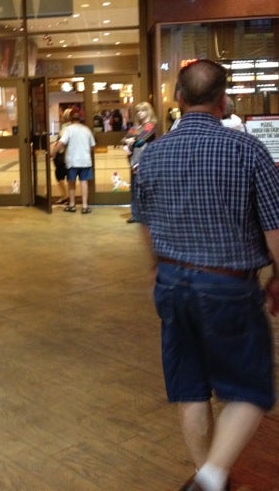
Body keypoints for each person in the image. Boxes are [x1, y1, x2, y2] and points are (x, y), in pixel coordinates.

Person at [134, 59, 279, 491]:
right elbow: (275, 228)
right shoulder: (249, 151)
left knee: (190, 386)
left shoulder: (152, 154)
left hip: (172, 281)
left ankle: (207, 477)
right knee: (249, 389)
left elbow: (144, 223)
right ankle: (213, 477)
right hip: (228, 285)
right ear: (222, 101)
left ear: (178, 98)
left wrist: (156, 269)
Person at [52, 107, 96, 214]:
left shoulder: (69, 130)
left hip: (72, 161)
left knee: (71, 183)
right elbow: (93, 146)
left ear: (71, 118)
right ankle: (85, 206)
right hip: (85, 161)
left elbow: (61, 143)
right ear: (80, 118)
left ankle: (72, 205)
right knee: (84, 182)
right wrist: (86, 152)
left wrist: (53, 152)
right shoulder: (86, 130)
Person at [121, 101, 157, 222]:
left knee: (145, 189)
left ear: (148, 111)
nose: (140, 113)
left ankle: (147, 214)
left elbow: (141, 140)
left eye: (143, 111)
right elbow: (123, 140)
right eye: (138, 111)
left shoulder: (150, 125)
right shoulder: (136, 127)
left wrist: (131, 140)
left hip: (146, 161)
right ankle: (136, 214)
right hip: (134, 161)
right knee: (135, 189)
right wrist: (130, 140)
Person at [50, 107, 72, 204]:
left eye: (62, 116)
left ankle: (65, 196)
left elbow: (62, 143)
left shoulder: (65, 128)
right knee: (68, 176)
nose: (60, 118)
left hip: (63, 157)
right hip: (69, 156)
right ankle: (67, 196)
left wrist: (53, 152)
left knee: (59, 175)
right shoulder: (72, 127)